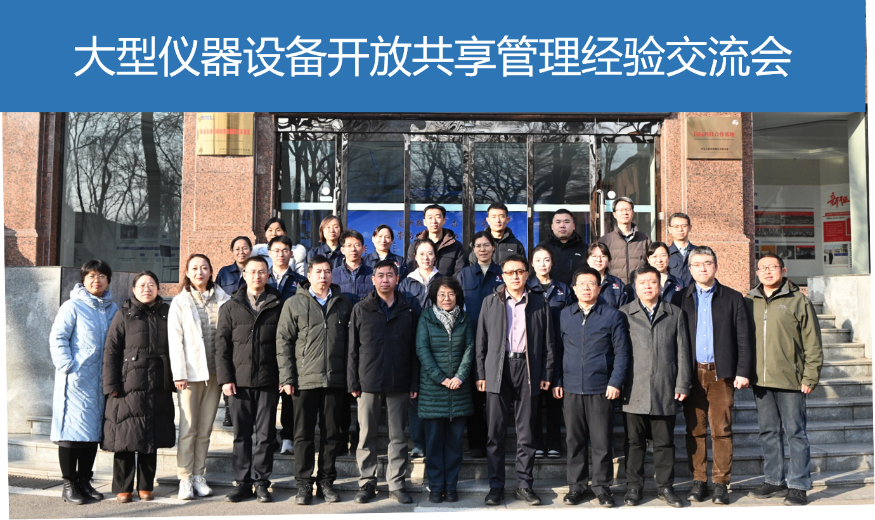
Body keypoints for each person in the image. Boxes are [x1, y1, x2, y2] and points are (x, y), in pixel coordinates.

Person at [671, 246, 754, 506]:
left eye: (707, 263)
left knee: (721, 430)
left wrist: (742, 371)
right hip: (691, 374)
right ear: (690, 269)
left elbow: (744, 338)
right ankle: (699, 480)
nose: (703, 268)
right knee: (695, 430)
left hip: (721, 375)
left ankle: (720, 483)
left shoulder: (732, 297)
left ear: (716, 266)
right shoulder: (679, 298)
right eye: (697, 264)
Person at [475, 255, 555, 507]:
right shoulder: (490, 302)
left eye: (519, 271)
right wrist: (481, 374)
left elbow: (549, 343)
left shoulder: (540, 302)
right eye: (510, 272)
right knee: (495, 433)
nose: (515, 276)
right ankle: (496, 486)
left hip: (528, 369)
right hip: (498, 369)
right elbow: (480, 342)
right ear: (503, 276)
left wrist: (547, 373)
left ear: (527, 274)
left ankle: (524, 484)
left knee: (526, 432)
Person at [745, 253, 823, 507]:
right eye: (762, 268)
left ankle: (798, 485)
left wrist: (810, 375)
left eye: (772, 267)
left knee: (795, 433)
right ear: (757, 272)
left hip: (791, 379)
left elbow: (813, 342)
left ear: (783, 270)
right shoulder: (749, 300)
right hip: (761, 380)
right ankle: (774, 481)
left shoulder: (799, 300)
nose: (767, 272)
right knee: (768, 432)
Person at [277, 255, 353, 506]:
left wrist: (350, 379)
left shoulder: (343, 303)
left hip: (335, 380)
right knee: (303, 435)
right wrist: (287, 377)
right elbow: (283, 342)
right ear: (308, 275)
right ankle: (303, 483)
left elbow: (351, 345)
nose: (323, 276)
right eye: (318, 272)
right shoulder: (293, 303)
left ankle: (326, 482)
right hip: (303, 381)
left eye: (327, 271)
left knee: (332, 434)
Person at [554, 267, 629, 508]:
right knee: (574, 441)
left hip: (601, 388)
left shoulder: (612, 316)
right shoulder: (564, 315)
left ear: (599, 288)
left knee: (601, 441)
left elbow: (622, 353)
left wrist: (615, 381)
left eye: (591, 283)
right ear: (573, 289)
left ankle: (602, 488)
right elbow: (557, 351)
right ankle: (576, 487)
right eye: (581, 284)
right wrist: (557, 381)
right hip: (571, 388)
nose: (586, 288)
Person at [348, 260, 420, 505]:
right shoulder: (361, 308)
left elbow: (414, 349)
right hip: (368, 380)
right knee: (366, 435)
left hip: (399, 380)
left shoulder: (408, 309)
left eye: (390, 275)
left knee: (398, 436)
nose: (385, 279)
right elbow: (352, 349)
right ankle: (367, 482)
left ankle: (396, 483)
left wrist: (413, 382)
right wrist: (353, 381)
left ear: (397, 279)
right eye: (380, 275)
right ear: (373, 279)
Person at [620, 266, 691, 509]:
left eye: (652, 282)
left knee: (664, 443)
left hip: (665, 387)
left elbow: (683, 352)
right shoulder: (624, 314)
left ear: (660, 286)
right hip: (634, 388)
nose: (648, 286)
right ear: (635, 287)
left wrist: (682, 383)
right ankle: (634, 487)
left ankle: (666, 487)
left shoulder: (675, 313)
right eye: (643, 282)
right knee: (634, 443)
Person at [102, 271, 176, 504]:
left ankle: (146, 485)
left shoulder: (167, 312)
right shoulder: (123, 314)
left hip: (158, 382)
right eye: (142, 285)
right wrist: (111, 384)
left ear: (158, 289)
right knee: (125, 434)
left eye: (151, 284)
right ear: (133, 290)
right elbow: (111, 350)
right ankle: (123, 487)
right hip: (128, 383)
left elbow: (176, 347)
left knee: (150, 435)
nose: (147, 288)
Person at [49, 260, 120, 505]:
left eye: (101, 276)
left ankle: (84, 480)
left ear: (108, 280)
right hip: (76, 380)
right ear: (83, 279)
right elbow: (58, 337)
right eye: (91, 276)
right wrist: (67, 365)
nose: (96, 280)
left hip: (100, 381)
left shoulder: (112, 308)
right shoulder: (72, 306)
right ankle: (69, 483)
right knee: (71, 434)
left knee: (91, 434)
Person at [216, 257, 284, 504]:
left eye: (262, 272)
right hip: (239, 381)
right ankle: (242, 483)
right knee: (241, 435)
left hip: (269, 379)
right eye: (252, 271)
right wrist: (225, 379)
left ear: (268, 275)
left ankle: (262, 482)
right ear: (243, 275)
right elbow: (222, 347)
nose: (257, 276)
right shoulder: (230, 306)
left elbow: (285, 344)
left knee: (266, 435)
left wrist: (284, 376)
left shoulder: (279, 305)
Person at [169, 254, 231, 501]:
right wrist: (179, 373)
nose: (199, 272)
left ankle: (198, 475)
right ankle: (184, 477)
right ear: (186, 272)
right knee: (188, 428)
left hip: (215, 373)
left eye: (204, 267)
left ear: (211, 271)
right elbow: (175, 341)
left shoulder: (224, 299)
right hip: (190, 375)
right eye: (194, 268)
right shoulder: (180, 301)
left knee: (205, 429)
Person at [416, 278, 476, 504]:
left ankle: (451, 487)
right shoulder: (426, 318)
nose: (446, 298)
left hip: (458, 391)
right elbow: (422, 350)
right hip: (433, 391)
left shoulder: (464, 319)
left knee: (454, 444)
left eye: (451, 294)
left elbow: (469, 349)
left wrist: (460, 377)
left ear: (457, 296)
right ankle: (435, 487)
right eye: (442, 294)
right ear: (434, 297)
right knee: (433, 444)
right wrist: (441, 378)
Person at [456, 230, 504, 459]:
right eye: (478, 246)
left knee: (495, 396)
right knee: (474, 395)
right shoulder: (464, 275)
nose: (482, 249)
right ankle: (476, 443)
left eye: (486, 245)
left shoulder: (503, 273)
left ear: (493, 247)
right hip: (472, 341)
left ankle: (496, 441)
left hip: (498, 341)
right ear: (473, 250)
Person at [399, 237, 443, 458]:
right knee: (414, 396)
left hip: (438, 346)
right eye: (422, 254)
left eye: (430, 253)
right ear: (415, 257)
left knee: (436, 395)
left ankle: (436, 443)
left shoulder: (443, 281)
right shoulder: (406, 283)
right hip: (412, 346)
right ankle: (418, 443)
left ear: (435, 257)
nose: (426, 258)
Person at [528, 246, 571, 460]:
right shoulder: (527, 287)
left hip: (558, 346)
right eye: (538, 260)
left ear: (552, 263)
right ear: (532, 263)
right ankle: (536, 443)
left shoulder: (563, 289)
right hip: (534, 348)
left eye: (546, 260)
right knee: (534, 400)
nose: (542, 264)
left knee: (555, 397)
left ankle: (554, 443)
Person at [266, 235, 307, 456]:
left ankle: (288, 436)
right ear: (269, 253)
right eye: (276, 250)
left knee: (290, 392)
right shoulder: (261, 276)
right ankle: (268, 435)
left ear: (291, 253)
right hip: (265, 342)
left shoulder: (301, 281)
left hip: (291, 343)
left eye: (285, 250)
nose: (280, 254)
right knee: (268, 394)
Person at [215, 236, 253, 427]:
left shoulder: (255, 270)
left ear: (251, 250)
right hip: (229, 321)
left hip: (249, 323)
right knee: (229, 363)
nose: (241, 252)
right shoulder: (224, 273)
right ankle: (229, 410)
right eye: (237, 248)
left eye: (245, 248)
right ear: (232, 251)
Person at [599, 197, 652, 285]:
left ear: (633, 213)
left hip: (639, 287)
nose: (624, 213)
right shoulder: (605, 240)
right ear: (614, 214)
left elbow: (651, 263)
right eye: (620, 210)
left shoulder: (644, 238)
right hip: (615, 287)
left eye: (628, 209)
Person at [406, 204, 467, 277]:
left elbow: (459, 272)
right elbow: (411, 269)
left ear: (444, 220)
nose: (434, 221)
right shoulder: (415, 245)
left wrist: (447, 284)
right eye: (430, 217)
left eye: (438, 217)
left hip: (447, 284)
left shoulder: (456, 246)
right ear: (424, 222)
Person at [534, 209, 588, 287]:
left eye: (566, 222)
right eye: (558, 222)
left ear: (574, 226)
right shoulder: (542, 248)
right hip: (549, 293)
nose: (562, 225)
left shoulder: (584, 248)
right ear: (552, 226)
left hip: (576, 293)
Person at [333, 230, 375, 307]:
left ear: (363, 249)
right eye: (349, 245)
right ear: (342, 250)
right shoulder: (333, 274)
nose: (353, 249)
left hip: (366, 314)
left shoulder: (373, 273)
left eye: (357, 245)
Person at [587, 243, 628, 309]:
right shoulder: (579, 283)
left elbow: (624, 309)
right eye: (594, 256)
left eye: (603, 256)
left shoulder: (618, 284)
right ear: (587, 260)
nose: (599, 260)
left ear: (608, 260)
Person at [667, 213, 695, 288]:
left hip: (694, 293)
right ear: (669, 229)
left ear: (690, 228)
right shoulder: (665, 253)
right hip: (672, 293)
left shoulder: (699, 252)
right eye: (676, 226)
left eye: (684, 226)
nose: (680, 229)